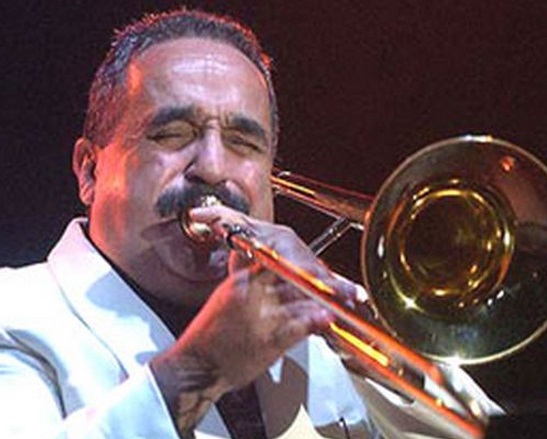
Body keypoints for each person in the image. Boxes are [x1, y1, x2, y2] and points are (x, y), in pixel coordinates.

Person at [0, 7, 500, 439]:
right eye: (172, 134)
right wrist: (205, 365)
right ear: (89, 171)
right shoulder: (17, 311)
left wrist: (366, 334)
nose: (213, 168)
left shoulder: (327, 324)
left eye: (243, 142)